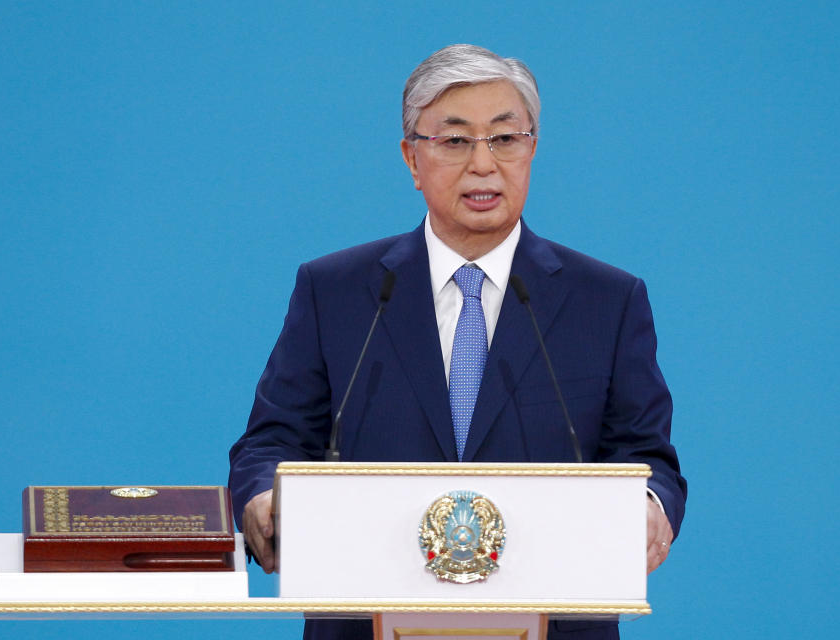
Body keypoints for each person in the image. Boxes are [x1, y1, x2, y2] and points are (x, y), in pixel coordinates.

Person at [229, 44, 686, 640]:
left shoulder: (607, 299)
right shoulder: (336, 291)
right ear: (411, 159)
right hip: (363, 621)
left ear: (533, 150)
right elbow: (273, 440)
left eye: (504, 139)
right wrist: (263, 497)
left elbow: (647, 457)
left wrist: (649, 507)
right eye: (454, 141)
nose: (483, 164)